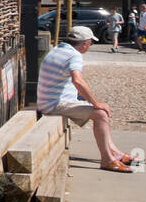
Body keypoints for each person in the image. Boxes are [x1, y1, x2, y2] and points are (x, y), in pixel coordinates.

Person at [37, 26, 134, 172]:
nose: (90, 46)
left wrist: (90, 101)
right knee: (101, 113)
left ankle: (115, 153)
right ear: (85, 43)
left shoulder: (57, 49)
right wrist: (96, 103)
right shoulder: (74, 55)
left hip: (48, 101)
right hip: (55, 104)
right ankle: (107, 159)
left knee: (100, 111)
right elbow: (78, 81)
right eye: (91, 43)